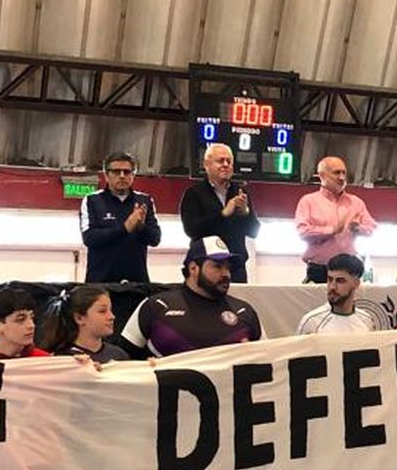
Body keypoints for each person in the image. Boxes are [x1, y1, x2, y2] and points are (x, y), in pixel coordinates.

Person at [122, 236, 262, 356]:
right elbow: (118, 360)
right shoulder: (156, 307)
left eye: (228, 268)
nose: (226, 274)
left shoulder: (244, 312)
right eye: (218, 266)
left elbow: (270, 359)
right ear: (193, 269)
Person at [180, 143, 260, 282]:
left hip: (235, 267)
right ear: (206, 164)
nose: (225, 164)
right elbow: (191, 229)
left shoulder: (240, 193)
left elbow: (254, 232)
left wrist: (245, 213)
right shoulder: (194, 194)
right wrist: (223, 214)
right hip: (205, 266)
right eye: (220, 161)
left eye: (229, 161)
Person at [294, 156, 378, 283]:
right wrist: (332, 230)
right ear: (322, 175)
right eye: (336, 172)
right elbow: (303, 232)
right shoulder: (308, 201)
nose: (342, 177)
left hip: (348, 270)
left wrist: (358, 228)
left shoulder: (356, 202)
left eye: (344, 173)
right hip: (320, 271)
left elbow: (371, 228)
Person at [80, 152, 162, 283]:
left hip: (137, 283)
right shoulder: (92, 200)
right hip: (100, 284)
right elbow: (89, 238)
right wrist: (125, 228)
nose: (122, 176)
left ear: (133, 175)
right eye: (116, 172)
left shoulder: (145, 201)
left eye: (127, 172)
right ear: (106, 175)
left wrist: (141, 227)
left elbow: (155, 239)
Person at [298, 254, 392, 334]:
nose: (332, 287)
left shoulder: (366, 321)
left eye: (340, 281)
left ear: (356, 283)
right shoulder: (312, 322)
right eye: (330, 279)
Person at [37, 284, 129, 364]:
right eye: (102, 311)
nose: (112, 316)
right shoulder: (62, 359)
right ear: (79, 318)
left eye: (110, 310)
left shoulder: (119, 355)